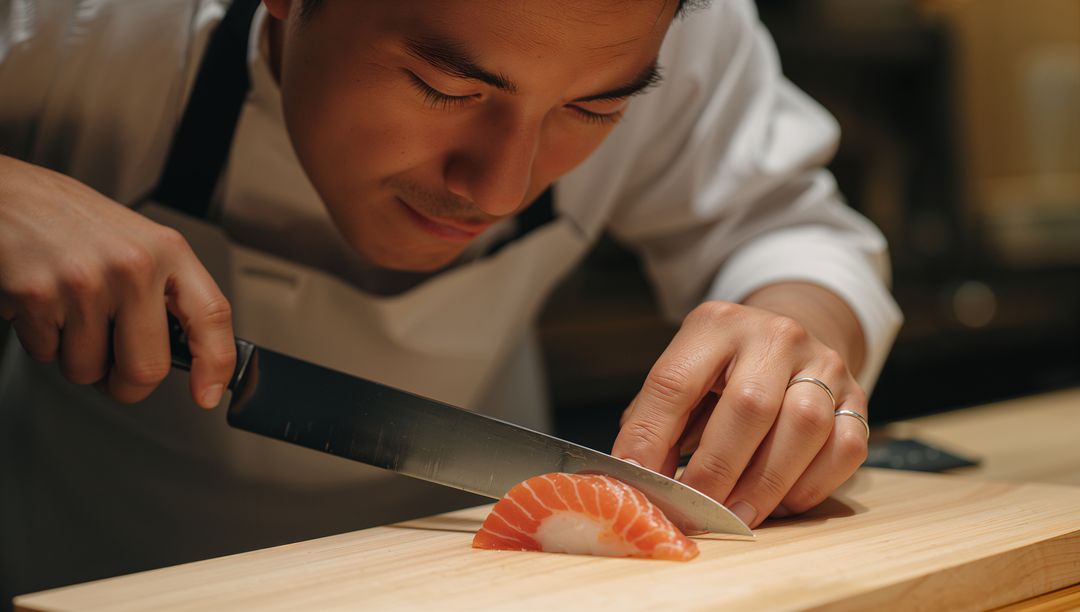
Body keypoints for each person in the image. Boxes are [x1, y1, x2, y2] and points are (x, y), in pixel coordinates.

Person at [0, 0, 902, 600]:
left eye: (590, 112)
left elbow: (789, 230)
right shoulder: (74, 24)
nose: (502, 187)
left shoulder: (663, 26)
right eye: (446, 89)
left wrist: (800, 333)